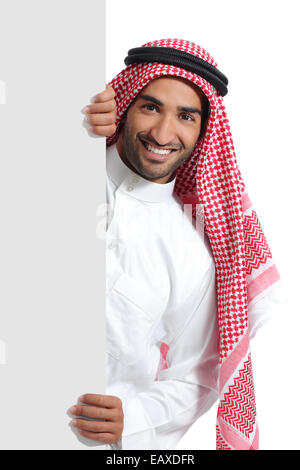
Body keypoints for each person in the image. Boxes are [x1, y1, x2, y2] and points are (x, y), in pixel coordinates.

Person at [68, 39, 286, 450]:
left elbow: (195, 377)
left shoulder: (193, 254)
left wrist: (133, 418)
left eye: (186, 116)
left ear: (204, 131)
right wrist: (68, 121)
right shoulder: (59, 164)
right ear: (126, 105)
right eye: (150, 107)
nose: (163, 133)